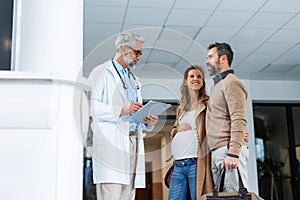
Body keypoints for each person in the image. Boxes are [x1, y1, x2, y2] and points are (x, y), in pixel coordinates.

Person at [88, 31, 158, 200]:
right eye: (137, 52)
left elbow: (134, 114)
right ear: (124, 48)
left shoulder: (134, 80)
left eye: (141, 53)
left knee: (128, 194)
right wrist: (121, 109)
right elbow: (92, 108)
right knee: (112, 193)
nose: (139, 57)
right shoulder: (101, 72)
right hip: (113, 143)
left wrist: (147, 121)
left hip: (133, 140)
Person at [205, 42, 249, 192]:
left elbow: (239, 119)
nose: (206, 61)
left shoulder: (232, 83)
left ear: (223, 59)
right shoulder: (218, 85)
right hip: (218, 151)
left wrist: (233, 153)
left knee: (234, 195)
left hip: (228, 151)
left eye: (210, 57)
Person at [168, 65, 213, 200]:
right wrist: (177, 129)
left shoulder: (208, 103)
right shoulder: (182, 108)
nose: (196, 79)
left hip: (195, 161)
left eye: (199, 76)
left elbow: (220, 123)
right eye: (192, 76)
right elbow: (174, 130)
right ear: (185, 81)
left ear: (203, 81)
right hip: (178, 164)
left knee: (198, 198)